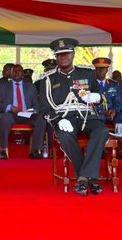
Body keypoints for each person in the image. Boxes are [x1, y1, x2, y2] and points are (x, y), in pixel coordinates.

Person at [39, 38, 109, 196]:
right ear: (56, 57)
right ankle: (90, 179)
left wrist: (97, 97)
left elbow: (101, 93)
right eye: (59, 54)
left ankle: (83, 178)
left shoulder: (87, 73)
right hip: (64, 117)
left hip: (86, 116)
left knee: (102, 131)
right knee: (64, 136)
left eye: (66, 53)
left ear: (73, 54)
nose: (63, 57)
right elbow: (44, 107)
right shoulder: (47, 80)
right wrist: (57, 120)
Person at [0, 64, 45, 159]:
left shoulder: (31, 86)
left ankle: (35, 150)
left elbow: (36, 104)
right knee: (4, 118)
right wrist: (9, 107)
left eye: (19, 71)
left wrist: (34, 110)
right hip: (11, 114)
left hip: (27, 114)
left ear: (23, 74)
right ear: (11, 74)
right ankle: (3, 149)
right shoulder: (3, 86)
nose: (17, 72)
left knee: (41, 119)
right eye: (14, 71)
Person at [92, 57, 122, 123]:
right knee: (100, 117)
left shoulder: (114, 85)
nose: (100, 70)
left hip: (112, 114)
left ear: (107, 70)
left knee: (120, 117)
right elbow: (87, 104)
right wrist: (102, 112)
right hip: (97, 114)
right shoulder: (90, 85)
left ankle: (118, 133)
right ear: (95, 70)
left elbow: (118, 103)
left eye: (103, 68)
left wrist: (113, 111)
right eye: (98, 68)